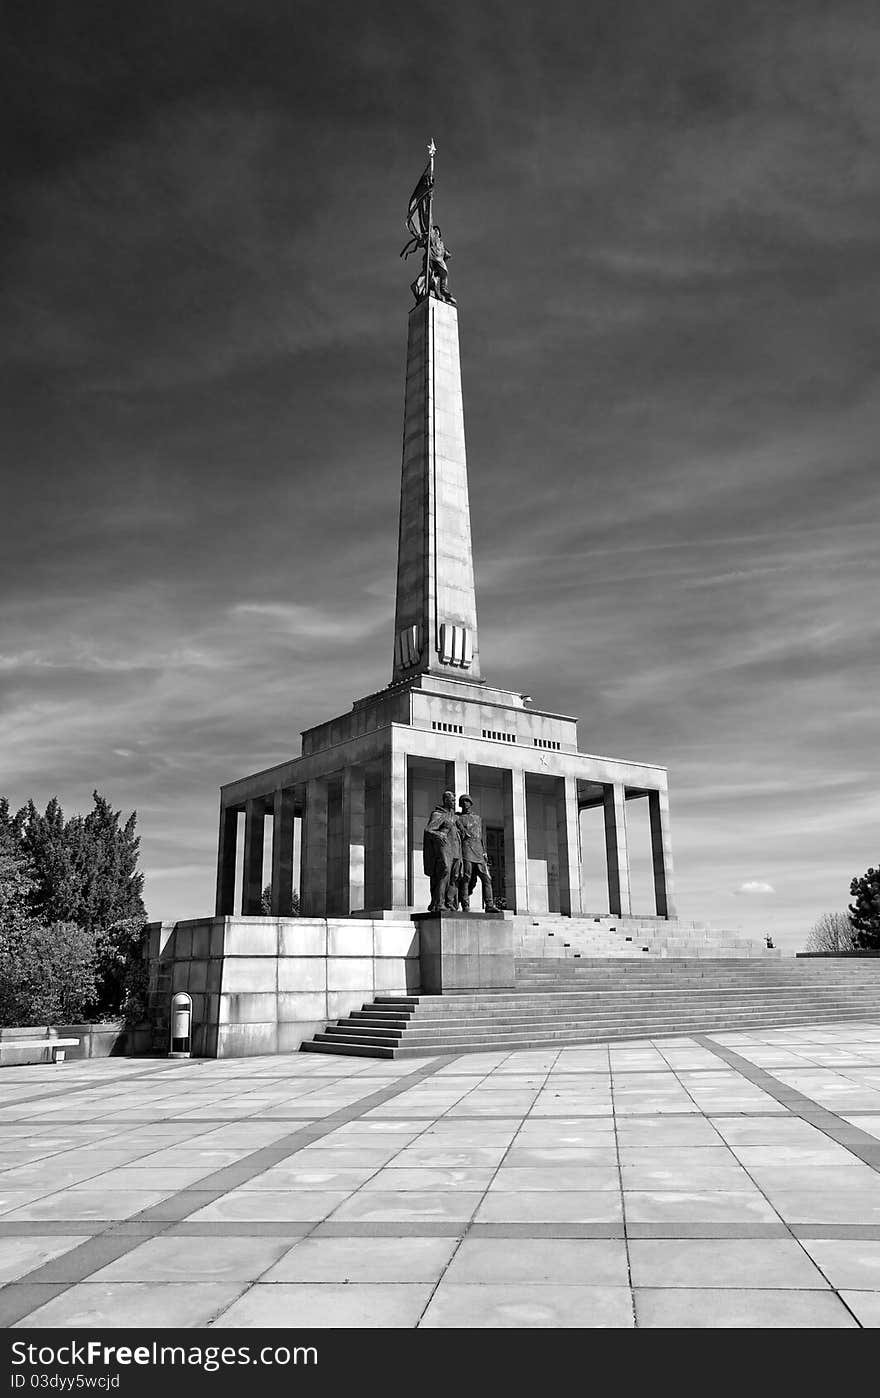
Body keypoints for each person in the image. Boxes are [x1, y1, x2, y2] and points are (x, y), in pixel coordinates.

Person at [422, 790, 462, 912]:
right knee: (444, 873)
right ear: (446, 800)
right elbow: (428, 830)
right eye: (452, 800)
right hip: (445, 848)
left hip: (456, 849)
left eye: (455, 800)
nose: (454, 802)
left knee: (455, 876)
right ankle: (439, 903)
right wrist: (438, 835)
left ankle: (450, 903)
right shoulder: (438, 814)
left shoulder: (454, 817)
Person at [456, 794, 496, 911]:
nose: (465, 803)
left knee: (487, 879)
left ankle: (489, 905)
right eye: (463, 802)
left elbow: (481, 836)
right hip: (466, 850)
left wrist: (484, 852)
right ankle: (465, 905)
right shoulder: (458, 818)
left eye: (467, 801)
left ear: (471, 803)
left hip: (478, 852)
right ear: (460, 804)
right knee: (466, 878)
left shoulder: (477, 818)